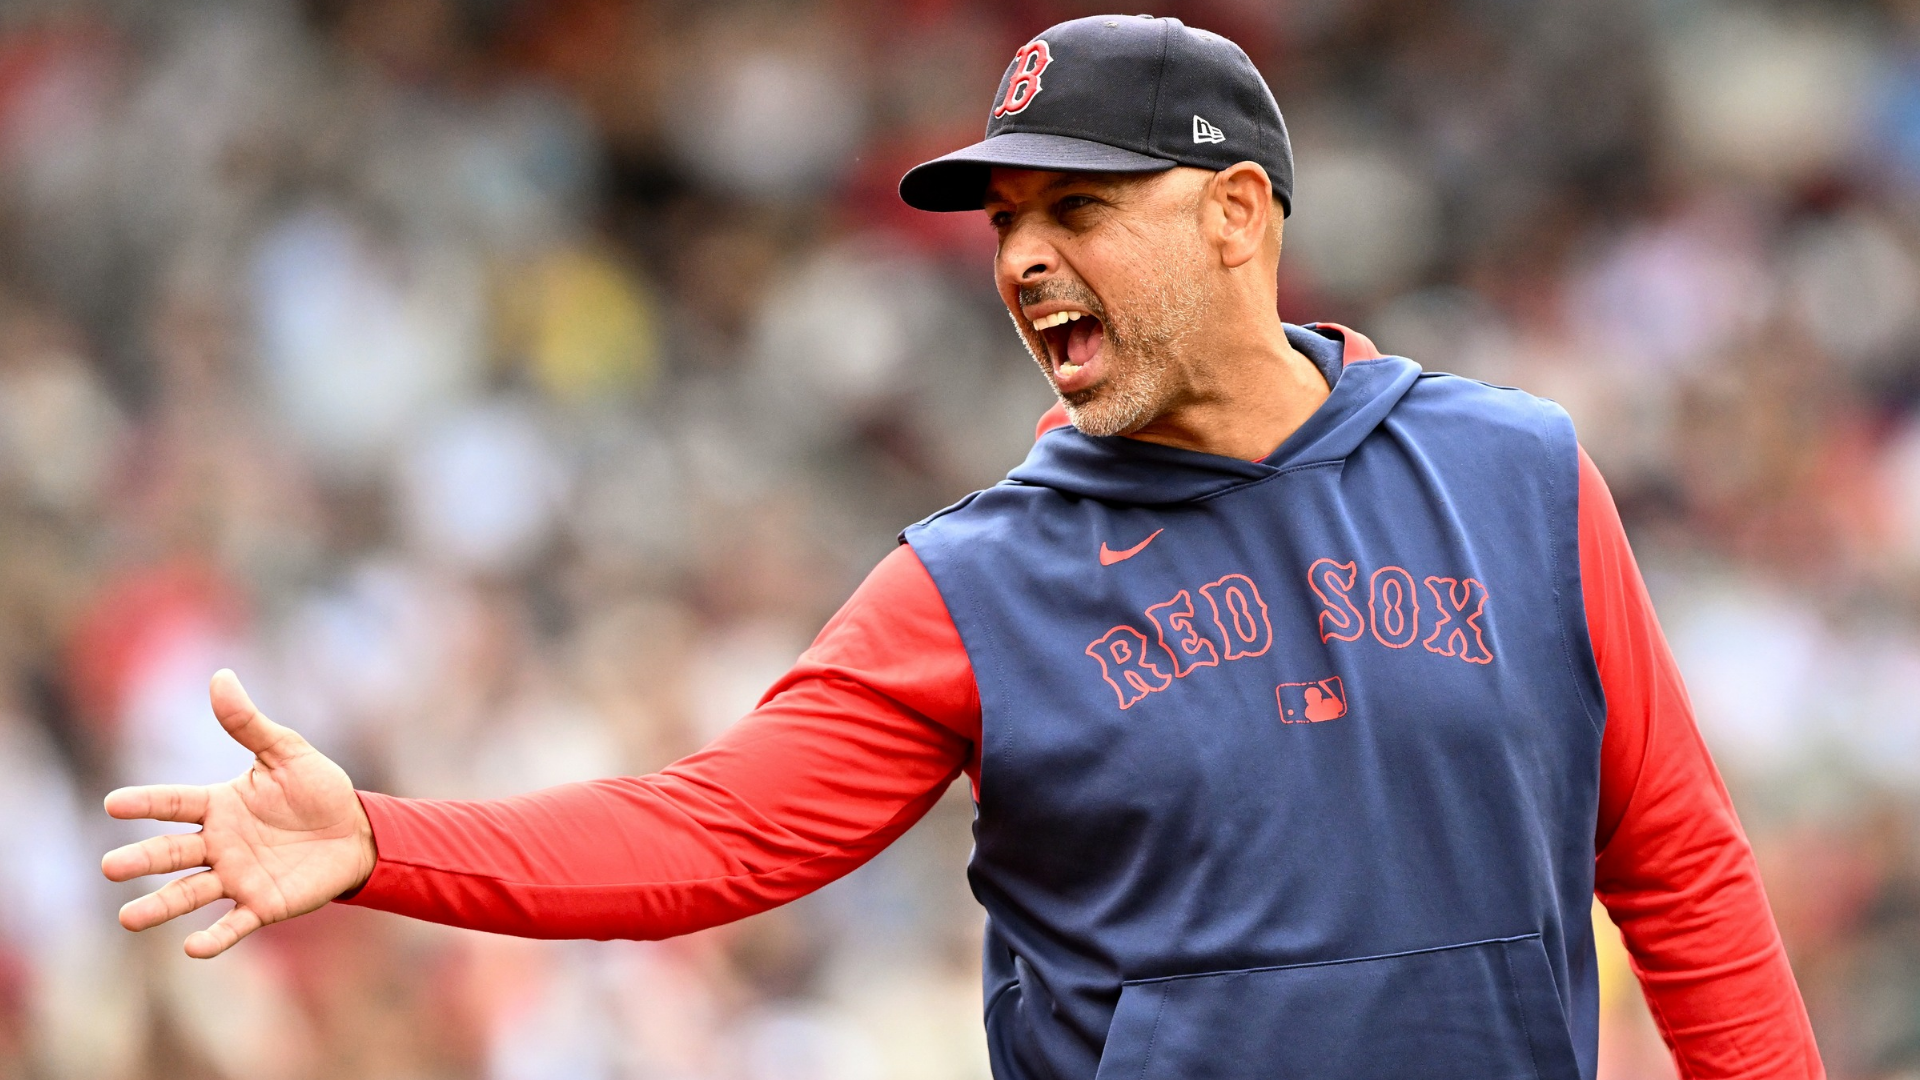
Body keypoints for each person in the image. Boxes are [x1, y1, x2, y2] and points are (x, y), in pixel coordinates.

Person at [101, 15, 1824, 1079]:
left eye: (1080, 208)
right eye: (1008, 224)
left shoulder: (1518, 475)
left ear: (1239, 218)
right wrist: (385, 841)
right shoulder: (979, 581)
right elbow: (720, 832)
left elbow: (1677, 870)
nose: (1020, 261)